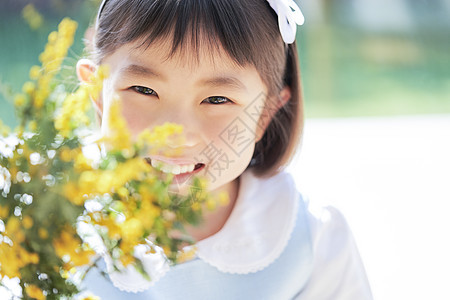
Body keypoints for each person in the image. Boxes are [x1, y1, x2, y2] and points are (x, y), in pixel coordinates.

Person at [76, 0, 373, 299]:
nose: (177, 136)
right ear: (96, 92)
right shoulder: (53, 223)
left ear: (266, 113)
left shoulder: (313, 241)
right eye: (144, 90)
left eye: (217, 99)